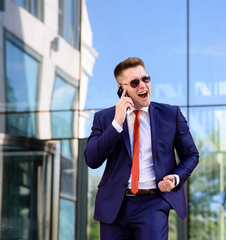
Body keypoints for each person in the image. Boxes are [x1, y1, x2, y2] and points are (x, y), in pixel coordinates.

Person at [84, 57, 199, 239]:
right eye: (135, 83)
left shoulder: (171, 115)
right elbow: (92, 160)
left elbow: (191, 155)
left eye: (145, 79)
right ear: (121, 89)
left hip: (153, 203)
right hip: (114, 205)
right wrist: (117, 122)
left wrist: (176, 178)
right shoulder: (104, 118)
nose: (143, 86)